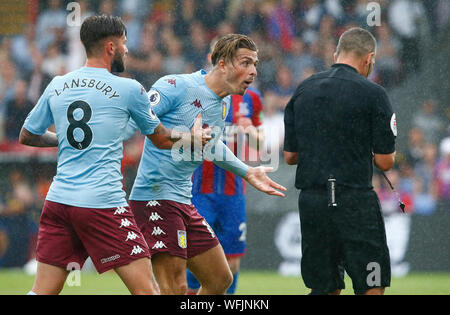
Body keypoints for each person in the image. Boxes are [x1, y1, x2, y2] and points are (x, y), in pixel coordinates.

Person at [19, 15, 208, 295]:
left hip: (59, 202)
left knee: (42, 291)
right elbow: (161, 139)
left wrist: (67, 142)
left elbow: (27, 135)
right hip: (102, 204)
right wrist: (192, 138)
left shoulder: (58, 84)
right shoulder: (129, 89)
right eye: (124, 43)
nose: (127, 50)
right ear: (111, 47)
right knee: (148, 292)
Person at [126, 34, 286, 295]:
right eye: (245, 63)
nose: (254, 71)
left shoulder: (222, 104)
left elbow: (211, 145)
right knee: (176, 287)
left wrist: (247, 172)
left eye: (255, 64)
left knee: (220, 279)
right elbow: (138, 122)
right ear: (222, 64)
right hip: (155, 197)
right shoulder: (175, 85)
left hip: (183, 201)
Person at [283, 27, 397, 295]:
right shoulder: (374, 93)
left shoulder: (303, 90)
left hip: (313, 203)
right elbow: (385, 162)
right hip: (354, 201)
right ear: (369, 58)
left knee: (324, 287)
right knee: (372, 283)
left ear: (336, 54)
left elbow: (290, 156)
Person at [186, 37, 265, 295]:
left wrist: (249, 130)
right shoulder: (198, 95)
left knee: (232, 261)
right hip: (199, 191)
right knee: (195, 258)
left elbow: (262, 141)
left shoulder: (251, 97)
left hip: (234, 192)